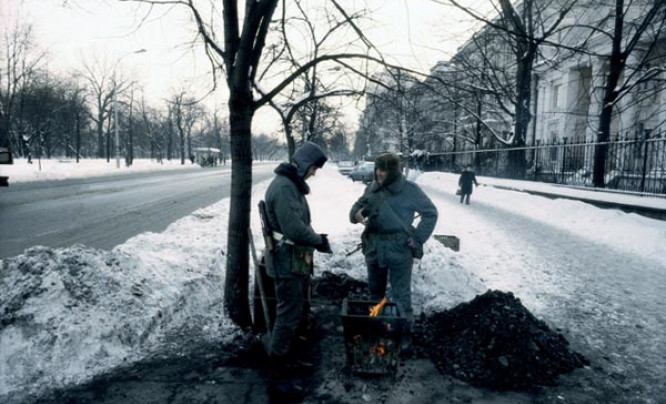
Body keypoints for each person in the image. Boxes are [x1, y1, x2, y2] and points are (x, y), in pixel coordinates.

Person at [349, 152, 437, 352]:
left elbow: (430, 213)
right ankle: (377, 330)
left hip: (399, 249)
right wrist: (357, 214)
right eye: (377, 169)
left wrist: (417, 238)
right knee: (375, 294)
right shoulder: (372, 188)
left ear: (392, 171)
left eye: (383, 170)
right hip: (374, 248)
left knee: (401, 296)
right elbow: (355, 208)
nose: (378, 173)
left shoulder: (410, 190)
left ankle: (404, 335)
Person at [263, 141, 332, 397]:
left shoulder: (290, 185)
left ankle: (287, 358)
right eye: (313, 168)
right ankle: (278, 368)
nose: (314, 173)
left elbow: (298, 223)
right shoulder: (284, 188)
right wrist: (318, 240)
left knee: (293, 311)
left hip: (292, 259)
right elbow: (293, 228)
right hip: (286, 261)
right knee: (287, 313)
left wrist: (315, 238)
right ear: (304, 164)